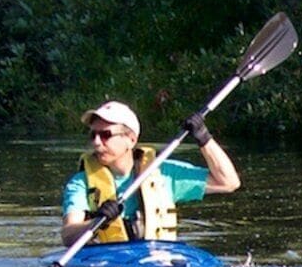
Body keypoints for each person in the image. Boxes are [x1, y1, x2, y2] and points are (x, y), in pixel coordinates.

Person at [66, 98, 238, 245]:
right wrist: (97, 222)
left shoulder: (164, 174)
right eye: (93, 135)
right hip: (107, 262)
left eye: (105, 135)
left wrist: (203, 137)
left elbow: (229, 183)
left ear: (131, 140)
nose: (96, 143)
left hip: (157, 258)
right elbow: (67, 235)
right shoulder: (81, 182)